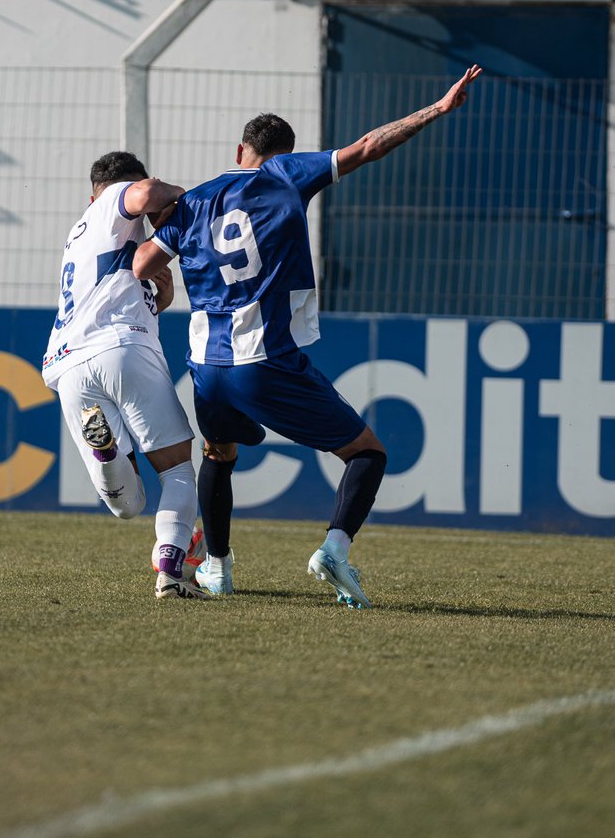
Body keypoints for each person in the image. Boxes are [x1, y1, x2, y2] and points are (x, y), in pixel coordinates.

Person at [133, 66, 482, 607]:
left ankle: (219, 570)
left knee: (218, 455)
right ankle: (335, 551)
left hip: (205, 367)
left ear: (239, 148)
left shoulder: (195, 201)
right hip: (263, 358)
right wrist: (435, 110)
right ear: (283, 154)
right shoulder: (285, 175)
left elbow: (142, 264)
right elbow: (367, 147)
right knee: (368, 453)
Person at [42, 150, 207, 601]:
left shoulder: (78, 237)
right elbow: (148, 192)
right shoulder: (119, 196)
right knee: (176, 472)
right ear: (112, 187)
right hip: (122, 347)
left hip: (72, 363)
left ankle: (110, 453)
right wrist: (181, 195)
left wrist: (160, 298)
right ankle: (171, 571)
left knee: (127, 505)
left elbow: (119, 291)